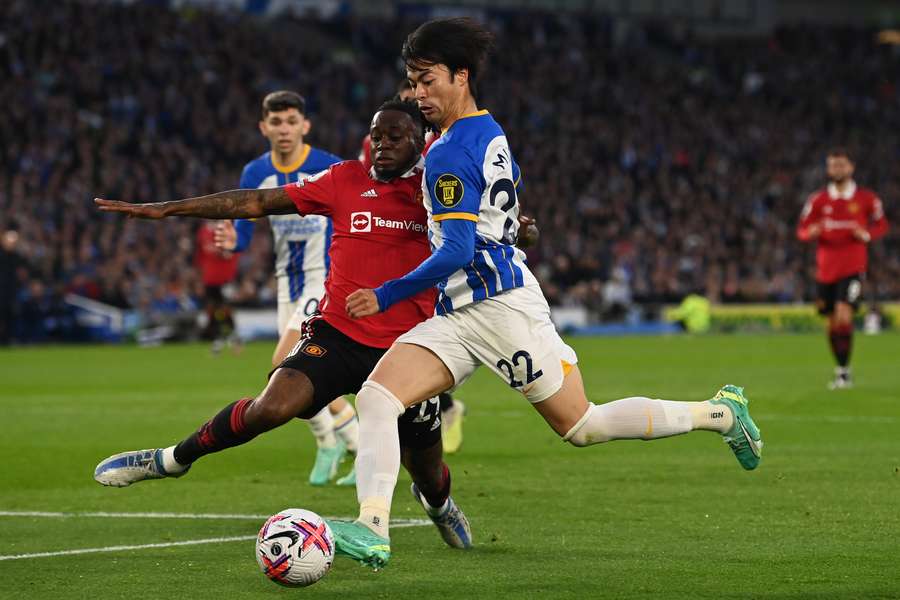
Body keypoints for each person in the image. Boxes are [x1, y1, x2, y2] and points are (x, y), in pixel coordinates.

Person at [328, 17, 763, 569]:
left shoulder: (445, 152)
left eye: (427, 80)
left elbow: (459, 248)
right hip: (459, 313)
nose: (417, 94)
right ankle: (372, 527)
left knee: (582, 426)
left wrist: (386, 294)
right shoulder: (486, 130)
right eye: (412, 82)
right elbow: (500, 213)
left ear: (461, 76)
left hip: (500, 309)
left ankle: (720, 413)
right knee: (378, 397)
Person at [92, 99, 473, 552]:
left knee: (426, 471)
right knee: (272, 406)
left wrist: (522, 231)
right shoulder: (343, 179)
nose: (382, 145)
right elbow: (254, 201)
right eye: (377, 135)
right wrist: (168, 209)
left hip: (407, 349)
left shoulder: (435, 190)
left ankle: (439, 506)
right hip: (339, 334)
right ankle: (172, 458)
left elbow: (487, 231)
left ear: (420, 143)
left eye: (396, 137)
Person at [215, 90, 357, 485]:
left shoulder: (329, 166)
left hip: (325, 281)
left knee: (283, 367)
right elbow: (242, 236)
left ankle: (333, 443)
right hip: (287, 287)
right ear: (264, 127)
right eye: (276, 122)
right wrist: (231, 244)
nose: (284, 129)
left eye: (291, 121)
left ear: (304, 126)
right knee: (311, 375)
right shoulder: (254, 174)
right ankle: (349, 445)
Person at [360, 81, 468, 454]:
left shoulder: (444, 152)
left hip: (437, 266)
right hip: (402, 264)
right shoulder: (382, 146)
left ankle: (436, 416)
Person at [797, 148, 889, 389]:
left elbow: (882, 224)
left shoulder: (866, 198)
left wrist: (867, 234)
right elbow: (802, 230)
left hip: (853, 267)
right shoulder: (818, 200)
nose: (837, 169)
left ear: (851, 167)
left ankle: (844, 373)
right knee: (831, 323)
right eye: (833, 165)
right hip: (826, 270)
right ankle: (842, 370)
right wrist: (811, 233)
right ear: (828, 169)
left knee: (843, 315)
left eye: (841, 165)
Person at [194, 220, 239, 352]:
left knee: (225, 308)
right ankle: (219, 338)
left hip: (225, 278)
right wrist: (200, 278)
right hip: (209, 279)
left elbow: (231, 252)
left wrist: (225, 252)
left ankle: (231, 337)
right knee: (213, 309)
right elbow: (201, 256)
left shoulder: (226, 228)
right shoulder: (203, 231)